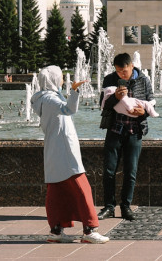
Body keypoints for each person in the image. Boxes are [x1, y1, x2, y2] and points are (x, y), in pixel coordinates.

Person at [31, 65, 109, 244]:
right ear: (52, 80)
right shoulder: (50, 100)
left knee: (57, 191)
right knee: (82, 188)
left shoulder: (44, 98)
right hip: (64, 150)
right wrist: (74, 91)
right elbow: (69, 109)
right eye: (60, 78)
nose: (62, 81)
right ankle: (90, 230)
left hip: (54, 150)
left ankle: (56, 231)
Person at [97, 53, 153, 221]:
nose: (121, 74)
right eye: (118, 71)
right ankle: (109, 207)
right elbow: (103, 106)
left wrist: (143, 113)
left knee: (131, 171)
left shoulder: (144, 80)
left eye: (124, 71)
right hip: (114, 130)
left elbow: (151, 103)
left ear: (131, 66)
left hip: (135, 131)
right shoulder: (109, 79)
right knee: (109, 171)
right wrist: (115, 97)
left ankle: (126, 206)